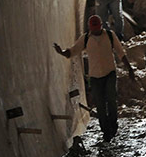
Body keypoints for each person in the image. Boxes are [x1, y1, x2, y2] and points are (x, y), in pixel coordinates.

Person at [53, 15, 135, 143]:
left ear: (101, 26)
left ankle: (113, 125)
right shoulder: (85, 39)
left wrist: (129, 68)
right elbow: (72, 51)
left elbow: (120, 52)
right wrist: (61, 52)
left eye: (97, 28)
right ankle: (105, 132)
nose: (95, 31)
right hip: (95, 77)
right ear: (90, 28)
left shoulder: (109, 35)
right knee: (100, 105)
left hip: (109, 73)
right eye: (93, 29)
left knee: (111, 100)